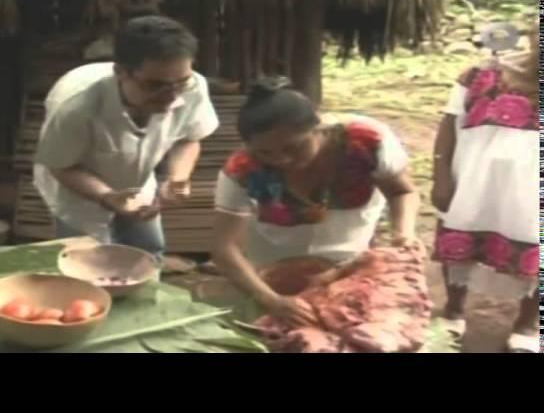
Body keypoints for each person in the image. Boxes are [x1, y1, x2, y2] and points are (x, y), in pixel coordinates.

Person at [211, 77, 421, 328]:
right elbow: (224, 247)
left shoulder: (364, 143)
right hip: (273, 266)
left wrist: (403, 233)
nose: (281, 159)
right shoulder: (243, 169)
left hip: (349, 259)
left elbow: (401, 193)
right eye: (265, 153)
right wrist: (271, 299)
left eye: (294, 147)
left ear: (318, 128)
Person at [34, 15, 219, 258]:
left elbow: (189, 137)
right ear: (121, 72)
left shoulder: (193, 86)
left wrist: (177, 178)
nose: (172, 96)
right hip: (77, 193)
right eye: (155, 86)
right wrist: (107, 196)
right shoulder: (76, 108)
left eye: (180, 83)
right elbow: (62, 167)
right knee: (85, 262)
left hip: (138, 183)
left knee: (149, 251)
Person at [431, 26, 539, 353]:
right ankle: (453, 311)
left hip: (533, 190)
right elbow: (449, 125)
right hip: (475, 181)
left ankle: (528, 325)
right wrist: (441, 176)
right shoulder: (481, 74)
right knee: (459, 241)